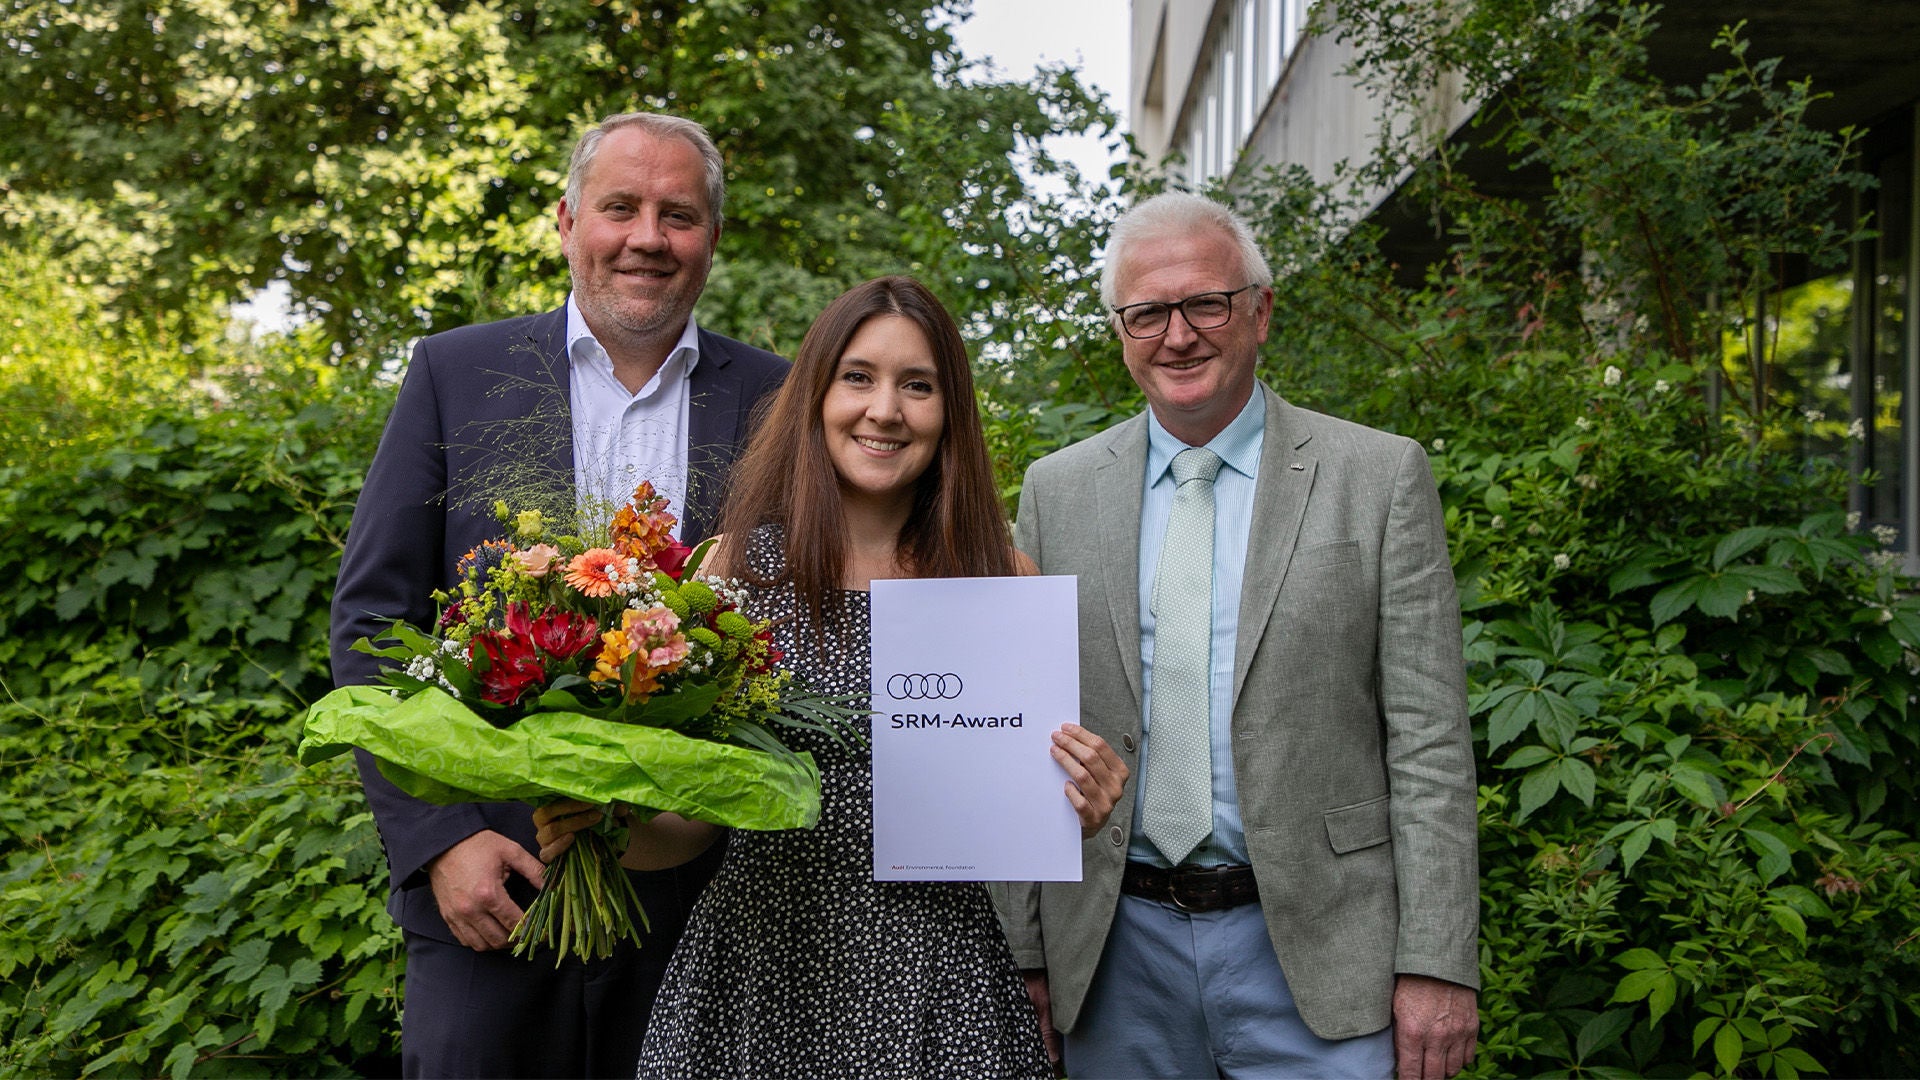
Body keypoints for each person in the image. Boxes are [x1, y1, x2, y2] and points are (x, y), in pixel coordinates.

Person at [534, 275, 1130, 1079]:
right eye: (859, 377)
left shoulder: (1000, 580)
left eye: (917, 386)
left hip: (940, 979)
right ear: (816, 394)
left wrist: (1077, 806)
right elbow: (693, 824)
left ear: (948, 411)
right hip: (764, 973)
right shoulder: (733, 573)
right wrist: (602, 824)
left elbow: (1026, 813)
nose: (885, 409)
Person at [329, 111, 788, 1078]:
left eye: (679, 214)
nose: (647, 239)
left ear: (713, 235)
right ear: (567, 218)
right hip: (490, 890)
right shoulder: (457, 372)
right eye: (620, 207)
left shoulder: (777, 402)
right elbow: (374, 621)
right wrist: (441, 839)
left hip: (703, 910)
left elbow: (815, 622)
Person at [991, 192, 1481, 1080]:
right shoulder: (1055, 492)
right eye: (1147, 312)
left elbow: (1431, 742)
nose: (1177, 334)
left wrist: (1438, 963)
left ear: (1260, 310)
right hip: (1112, 956)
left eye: (1204, 304)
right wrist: (1026, 954)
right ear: (1120, 331)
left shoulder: (1378, 477)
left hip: (1324, 955)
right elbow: (1029, 735)